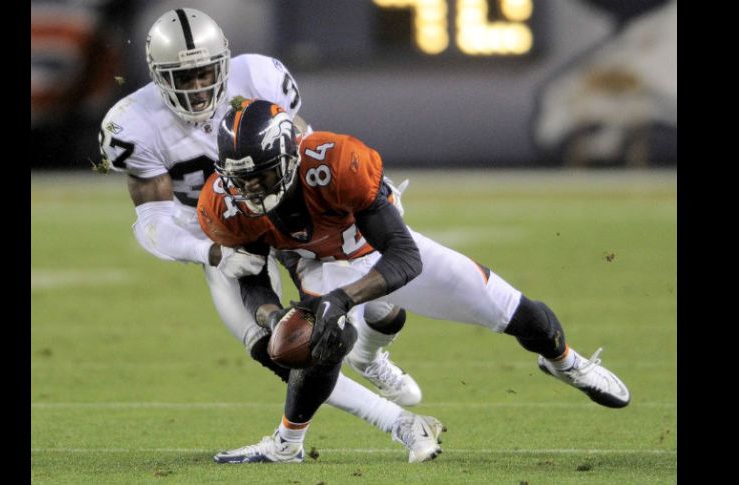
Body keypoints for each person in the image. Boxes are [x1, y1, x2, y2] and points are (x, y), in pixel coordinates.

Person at [197, 98, 631, 463]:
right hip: (320, 265)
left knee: (524, 315)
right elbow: (251, 278)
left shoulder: (334, 162)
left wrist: (343, 299)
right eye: (242, 178)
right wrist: (272, 318)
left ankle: (566, 363)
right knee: (319, 341)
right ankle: (287, 443)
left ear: (289, 155)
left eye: (264, 174)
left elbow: (404, 255)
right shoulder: (224, 204)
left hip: (376, 251)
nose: (252, 188)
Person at [97, 7, 438, 463]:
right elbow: (153, 224)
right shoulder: (134, 124)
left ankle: (373, 358)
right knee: (278, 345)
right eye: (184, 77)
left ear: (224, 63)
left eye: (204, 73)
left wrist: (359, 199)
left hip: (286, 213)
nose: (198, 87)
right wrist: (211, 251)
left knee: (373, 301)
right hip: (221, 228)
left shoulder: (258, 75)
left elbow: (302, 150)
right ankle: (398, 423)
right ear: (158, 77)